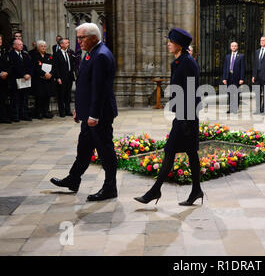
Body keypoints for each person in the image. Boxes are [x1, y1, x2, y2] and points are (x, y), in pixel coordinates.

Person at [135, 28, 203, 206]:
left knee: (171, 151)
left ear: (179, 45)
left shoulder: (187, 63)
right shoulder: (180, 62)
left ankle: (155, 190)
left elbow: (191, 92)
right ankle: (196, 190)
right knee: (189, 154)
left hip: (186, 118)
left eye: (171, 41)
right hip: (182, 116)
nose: (168, 44)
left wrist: (186, 122)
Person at [50, 23, 119, 201]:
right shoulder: (92, 53)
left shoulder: (101, 55)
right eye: (78, 37)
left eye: (82, 37)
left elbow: (99, 90)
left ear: (94, 37)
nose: (78, 41)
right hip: (89, 112)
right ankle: (73, 180)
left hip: (99, 114)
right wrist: (79, 111)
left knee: (105, 151)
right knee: (84, 149)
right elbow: (85, 86)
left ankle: (110, 187)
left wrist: (93, 115)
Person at [31, 41, 56, 119]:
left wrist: (50, 74)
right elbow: (35, 68)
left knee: (47, 96)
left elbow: (54, 66)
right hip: (39, 80)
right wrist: (44, 74)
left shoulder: (49, 56)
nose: (43, 48)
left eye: (45, 46)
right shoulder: (34, 56)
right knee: (39, 97)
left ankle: (46, 112)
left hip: (48, 80)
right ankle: (39, 113)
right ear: (38, 47)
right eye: (42, 46)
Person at [9, 39, 33, 122]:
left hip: (25, 80)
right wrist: (23, 74)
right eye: (19, 44)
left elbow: (30, 65)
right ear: (14, 46)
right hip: (16, 79)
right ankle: (16, 115)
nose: (21, 46)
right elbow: (14, 67)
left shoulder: (25, 54)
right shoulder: (11, 54)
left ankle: (24, 114)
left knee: (24, 98)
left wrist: (29, 74)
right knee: (15, 99)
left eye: (22, 44)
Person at [53, 38, 75, 117]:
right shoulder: (57, 54)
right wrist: (58, 77)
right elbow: (55, 67)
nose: (67, 44)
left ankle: (68, 110)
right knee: (61, 95)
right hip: (61, 77)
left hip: (69, 76)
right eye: (66, 43)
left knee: (68, 95)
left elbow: (72, 64)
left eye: (68, 43)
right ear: (61, 44)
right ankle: (61, 111)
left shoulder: (70, 52)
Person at [222, 41, 245, 114]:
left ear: (237, 47)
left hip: (237, 78)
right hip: (229, 77)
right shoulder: (227, 56)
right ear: (230, 47)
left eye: (235, 46)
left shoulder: (241, 56)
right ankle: (230, 108)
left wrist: (241, 78)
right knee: (229, 93)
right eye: (232, 46)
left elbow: (242, 68)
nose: (234, 47)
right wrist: (224, 78)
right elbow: (225, 67)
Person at [0, 35, 12, 123]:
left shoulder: (4, 50)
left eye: (0, 39)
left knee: (3, 98)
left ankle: (3, 116)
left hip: (4, 79)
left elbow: (10, 63)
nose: (0, 41)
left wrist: (6, 72)